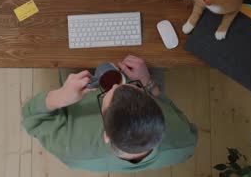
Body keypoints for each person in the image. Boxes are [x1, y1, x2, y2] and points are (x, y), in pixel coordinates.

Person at [22, 55, 197, 172]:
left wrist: (62, 96)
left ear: (106, 136)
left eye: (107, 97)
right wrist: (146, 81)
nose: (116, 85)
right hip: (142, 77)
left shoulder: (70, 149)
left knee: (70, 47)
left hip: (77, 90)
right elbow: (167, 104)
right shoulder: (185, 140)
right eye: (135, 88)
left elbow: (31, 117)